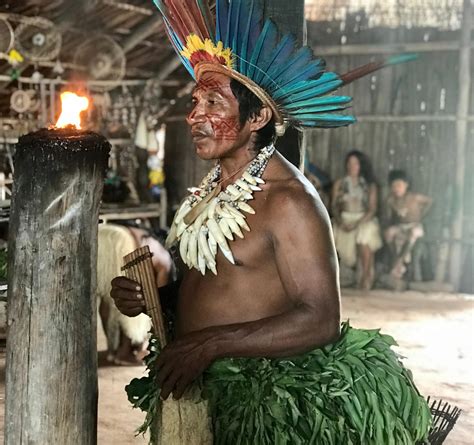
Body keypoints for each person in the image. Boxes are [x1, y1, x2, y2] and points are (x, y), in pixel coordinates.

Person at [109, 1, 431, 443]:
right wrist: (153, 297)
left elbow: (321, 319)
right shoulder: (212, 190)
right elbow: (222, 287)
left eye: (213, 102)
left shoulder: (289, 202)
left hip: (260, 399)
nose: (194, 116)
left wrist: (209, 344)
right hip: (203, 387)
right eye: (195, 102)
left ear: (257, 117)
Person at [331, 150, 382, 290]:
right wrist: (340, 222)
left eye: (355, 163)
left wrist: (356, 224)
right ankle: (335, 279)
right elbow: (333, 206)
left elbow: (372, 209)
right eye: (349, 163)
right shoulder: (340, 183)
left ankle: (366, 277)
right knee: (330, 234)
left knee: (365, 234)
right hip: (344, 219)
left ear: (361, 165)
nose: (351, 166)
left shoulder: (369, 185)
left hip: (363, 219)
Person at [384, 170, 433, 279]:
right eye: (393, 186)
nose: (396, 189)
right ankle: (396, 258)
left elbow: (430, 201)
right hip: (401, 226)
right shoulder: (391, 200)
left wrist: (422, 214)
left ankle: (400, 260)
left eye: (399, 185)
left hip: (415, 225)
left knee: (413, 232)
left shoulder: (414, 197)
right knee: (388, 233)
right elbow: (389, 218)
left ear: (406, 185)